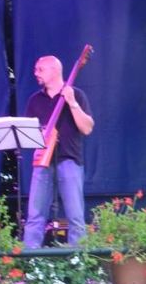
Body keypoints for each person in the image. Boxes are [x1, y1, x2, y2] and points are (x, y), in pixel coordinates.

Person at [23, 56, 94, 248]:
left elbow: (87, 128)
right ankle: (30, 260)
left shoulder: (76, 95)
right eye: (35, 69)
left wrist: (72, 103)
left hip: (69, 160)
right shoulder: (35, 100)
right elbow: (29, 133)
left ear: (55, 70)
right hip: (43, 162)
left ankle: (78, 260)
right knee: (35, 216)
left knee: (75, 216)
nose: (36, 73)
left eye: (40, 69)